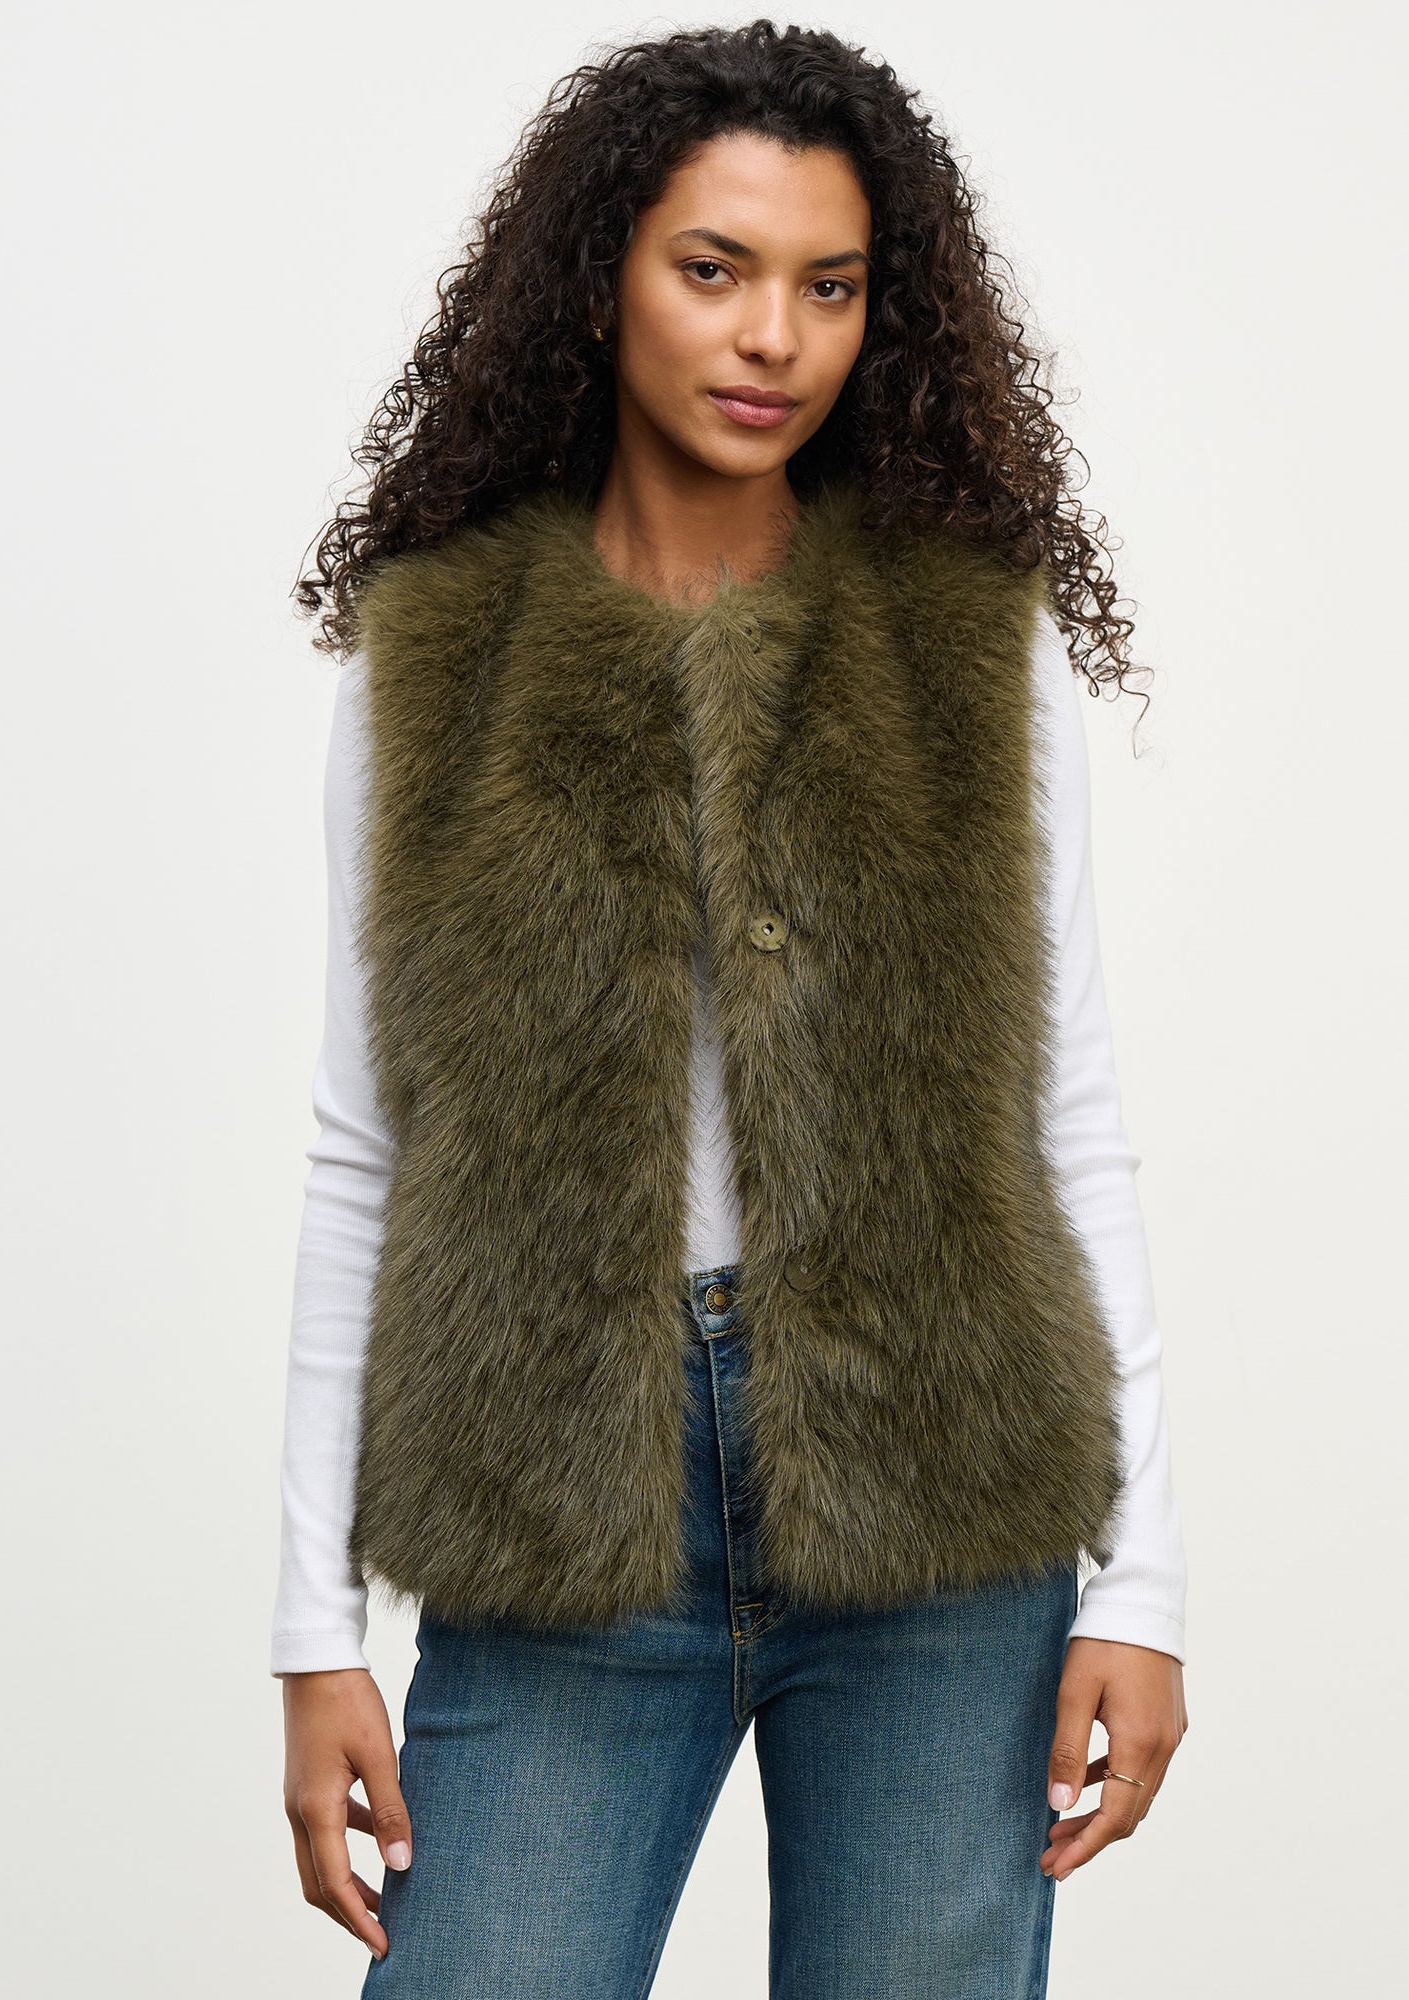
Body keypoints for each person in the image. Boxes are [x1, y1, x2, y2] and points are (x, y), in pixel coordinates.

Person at [274, 20, 1189, 1998]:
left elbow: (1069, 1122)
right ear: (599, 277)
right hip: (560, 1494)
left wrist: (1144, 1586)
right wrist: (308, 1630)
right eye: (714, 268)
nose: (774, 334)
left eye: (829, 285)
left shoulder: (971, 643)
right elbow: (365, 1144)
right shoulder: (433, 654)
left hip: (943, 1492)